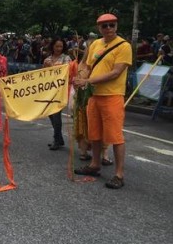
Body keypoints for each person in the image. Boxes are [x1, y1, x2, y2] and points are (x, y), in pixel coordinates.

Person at [74, 13, 132, 189]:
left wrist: (88, 81)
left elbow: (116, 72)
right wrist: (81, 76)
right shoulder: (95, 44)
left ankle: (119, 174)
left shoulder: (124, 46)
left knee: (115, 136)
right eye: (104, 26)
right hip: (94, 96)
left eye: (111, 25)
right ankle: (95, 164)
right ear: (98, 28)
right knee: (94, 133)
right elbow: (87, 66)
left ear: (116, 26)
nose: (108, 29)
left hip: (112, 96)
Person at [43, 37, 71, 150]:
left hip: (60, 90)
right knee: (50, 113)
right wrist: (45, 66)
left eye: (61, 46)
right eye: (56, 46)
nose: (59, 48)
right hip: (49, 89)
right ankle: (59, 138)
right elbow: (43, 74)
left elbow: (66, 72)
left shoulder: (66, 58)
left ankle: (56, 139)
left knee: (56, 115)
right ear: (52, 47)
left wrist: (53, 67)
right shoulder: (48, 59)